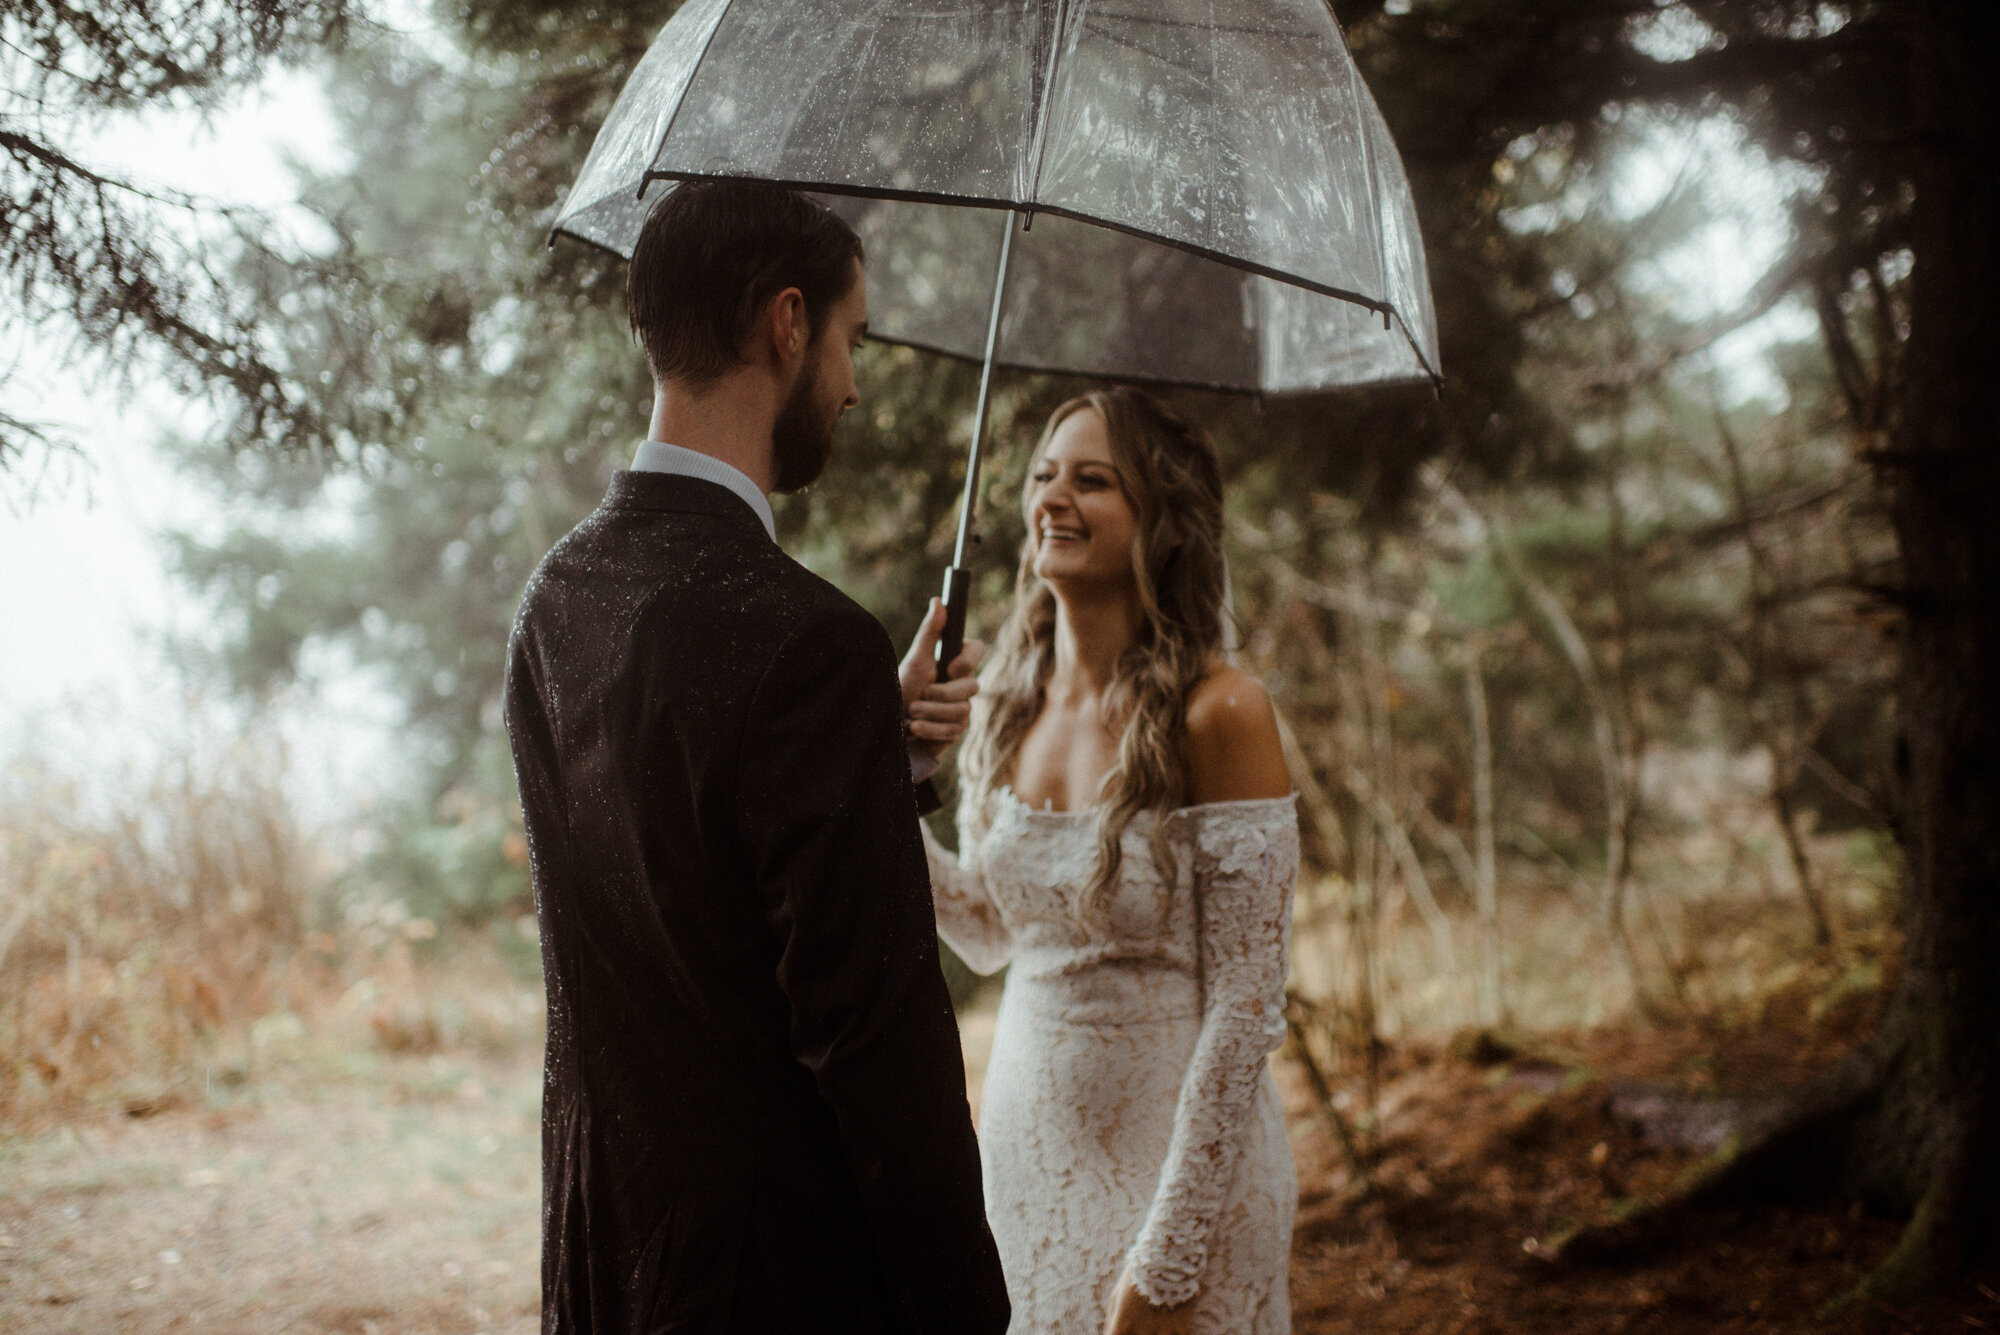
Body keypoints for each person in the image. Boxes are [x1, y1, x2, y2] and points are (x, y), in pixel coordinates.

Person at [505, 180, 1008, 1334]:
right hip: (777, 1282)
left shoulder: (556, 598)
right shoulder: (807, 641)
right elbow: (872, 1048)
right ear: (786, 323)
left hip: (603, 1254)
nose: (851, 382)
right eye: (851, 338)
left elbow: (675, 879)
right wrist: (962, 1306)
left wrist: (873, 763)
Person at [924, 387, 1299, 1335]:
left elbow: (1246, 1007)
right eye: (1046, 474)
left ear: (1162, 521)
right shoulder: (1004, 704)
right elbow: (984, 930)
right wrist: (899, 776)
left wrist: (1169, 1264)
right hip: (1027, 1166)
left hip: (1181, 1190)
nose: (1055, 497)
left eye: (1093, 480)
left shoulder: (1222, 714)